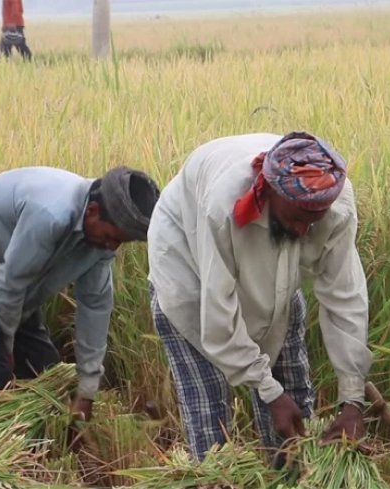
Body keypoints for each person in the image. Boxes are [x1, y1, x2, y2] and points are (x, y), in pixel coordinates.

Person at [146, 131, 373, 461]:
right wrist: (268, 392)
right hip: (192, 276)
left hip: (275, 279)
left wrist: (352, 401)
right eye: (296, 218)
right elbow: (218, 313)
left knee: (294, 399)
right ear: (269, 191)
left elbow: (345, 297)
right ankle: (217, 481)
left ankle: (292, 477)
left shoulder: (333, 203)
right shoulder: (223, 205)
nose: (300, 231)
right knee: (210, 417)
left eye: (313, 221)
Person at [0, 166, 160, 420]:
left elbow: (95, 308)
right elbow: (9, 286)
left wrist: (87, 391)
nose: (112, 247)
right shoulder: (51, 213)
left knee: (46, 371)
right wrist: (4, 348)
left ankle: (46, 438)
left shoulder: (101, 243)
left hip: (15, 276)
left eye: (120, 242)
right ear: (92, 212)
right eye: (112, 237)